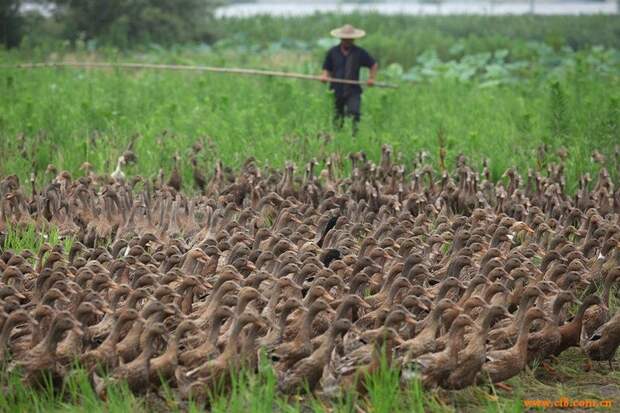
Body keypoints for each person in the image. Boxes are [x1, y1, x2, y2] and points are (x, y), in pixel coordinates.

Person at [321, 24, 378, 134]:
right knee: (337, 117)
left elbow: (373, 64)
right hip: (336, 89)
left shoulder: (359, 52)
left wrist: (371, 78)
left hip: (353, 89)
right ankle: (338, 137)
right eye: (345, 39)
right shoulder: (333, 52)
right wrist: (324, 76)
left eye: (349, 39)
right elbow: (326, 68)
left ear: (353, 39)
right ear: (341, 39)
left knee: (354, 113)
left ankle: (354, 136)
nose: (347, 41)